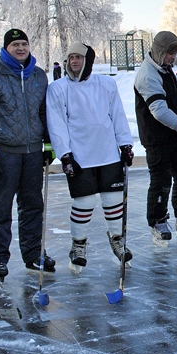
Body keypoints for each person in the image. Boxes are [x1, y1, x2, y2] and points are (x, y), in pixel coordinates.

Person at [0, 28, 55, 279]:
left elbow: (45, 113)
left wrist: (48, 144)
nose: (20, 48)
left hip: (31, 152)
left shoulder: (39, 76)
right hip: (3, 153)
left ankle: (33, 255)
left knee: (32, 206)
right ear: (6, 48)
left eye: (24, 44)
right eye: (15, 44)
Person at [46, 43, 135, 273]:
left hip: (107, 153)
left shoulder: (106, 84)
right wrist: (65, 154)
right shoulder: (58, 88)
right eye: (71, 57)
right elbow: (56, 124)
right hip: (79, 157)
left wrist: (125, 144)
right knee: (84, 202)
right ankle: (78, 245)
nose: (74, 61)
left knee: (113, 199)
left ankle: (117, 240)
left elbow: (117, 114)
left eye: (79, 57)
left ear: (89, 61)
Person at [134, 31, 177, 245]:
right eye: (170, 53)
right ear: (160, 51)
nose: (173, 57)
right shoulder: (147, 74)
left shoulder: (162, 68)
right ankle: (158, 221)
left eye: (175, 53)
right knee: (161, 181)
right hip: (156, 138)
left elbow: (167, 87)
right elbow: (159, 111)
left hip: (172, 136)